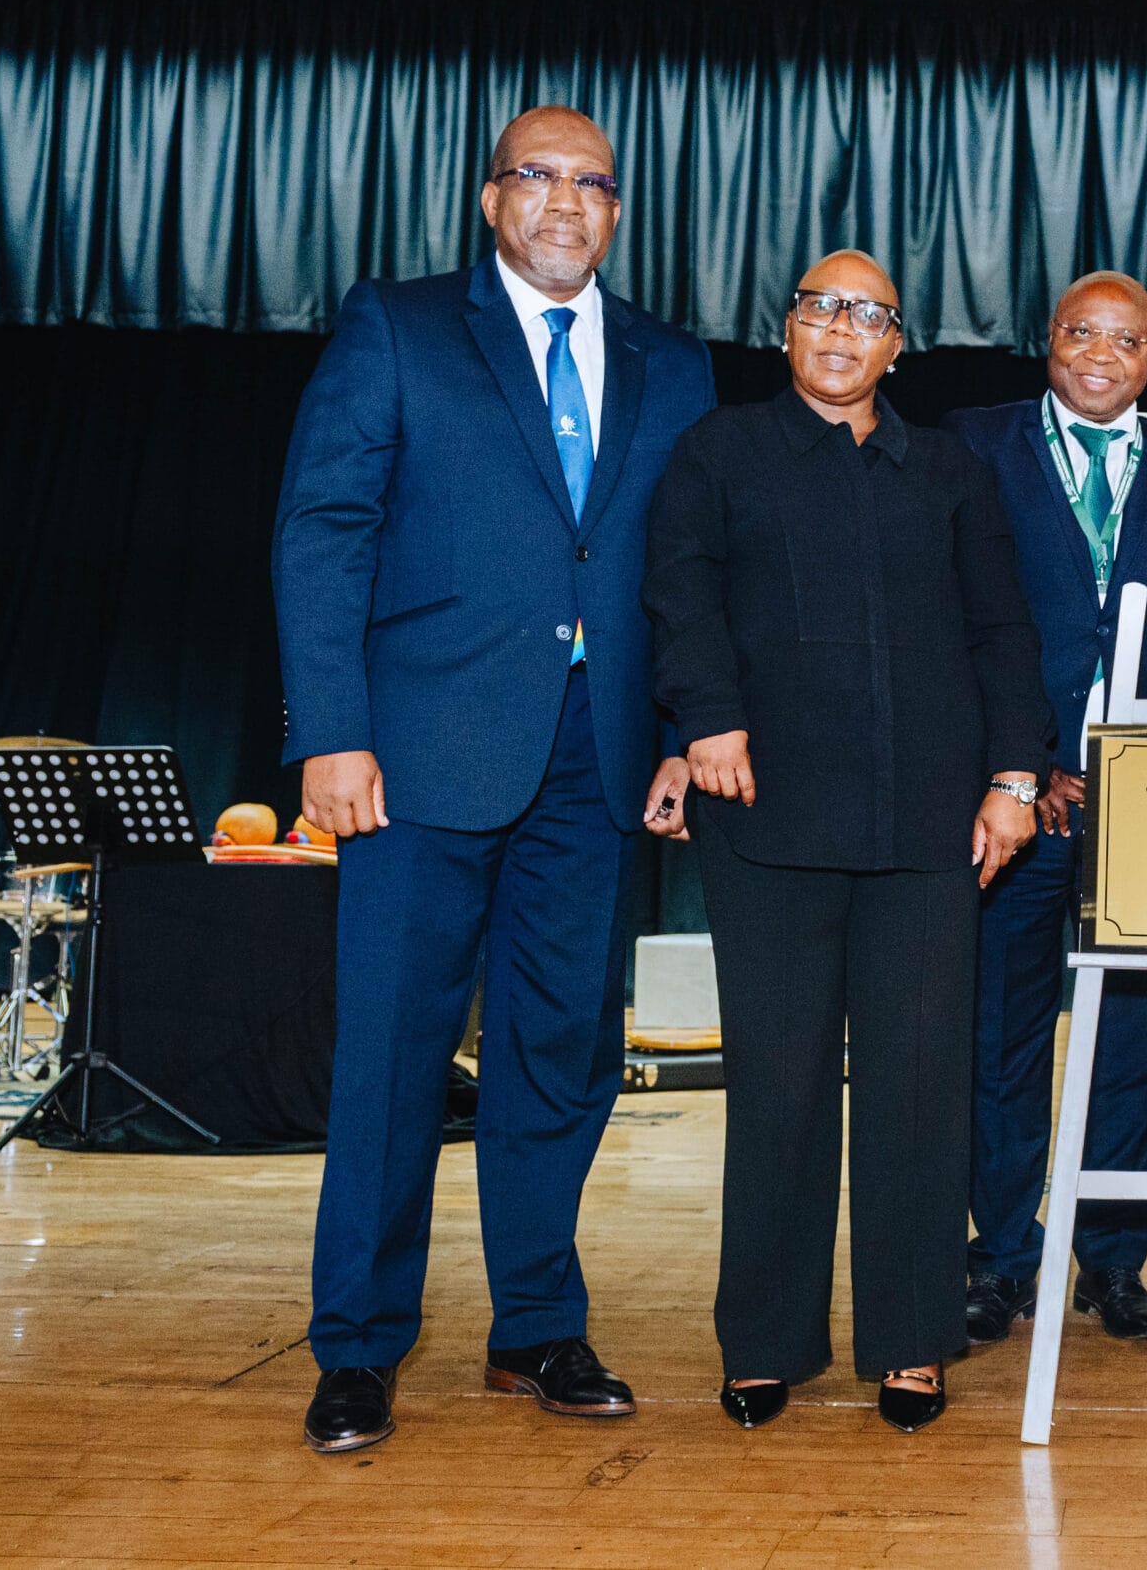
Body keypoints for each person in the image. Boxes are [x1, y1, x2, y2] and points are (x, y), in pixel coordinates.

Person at [274, 106, 713, 1454]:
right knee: (394, 1057)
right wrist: (329, 731)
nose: (565, 201)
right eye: (539, 176)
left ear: (618, 211)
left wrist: (686, 730)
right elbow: (324, 528)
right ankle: (356, 1343)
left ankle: (535, 1322)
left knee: (561, 1058)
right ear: (490, 198)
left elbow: (686, 570)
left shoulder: (674, 364)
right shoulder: (398, 328)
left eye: (593, 182)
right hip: (415, 761)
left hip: (596, 768)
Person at [643, 250, 1050, 1433]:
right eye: (821, 308)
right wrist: (706, 718)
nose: (841, 329)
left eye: (867, 315)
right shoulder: (718, 454)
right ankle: (764, 1339)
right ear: (787, 331)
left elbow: (1002, 632)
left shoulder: (951, 472)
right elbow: (679, 593)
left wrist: (1014, 779)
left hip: (930, 827)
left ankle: (913, 1340)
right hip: (765, 814)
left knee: (922, 1086)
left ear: (895, 345)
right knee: (777, 1085)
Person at [945, 274, 1147, 1347]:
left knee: (1132, 1045)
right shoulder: (972, 444)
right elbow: (949, 613)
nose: (1102, 355)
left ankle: (1112, 1259)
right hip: (1017, 800)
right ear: (1045, 340)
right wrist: (1027, 761)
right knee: (999, 1038)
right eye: (1081, 334)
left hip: (1142, 806)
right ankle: (1002, 1259)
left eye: (1128, 341)